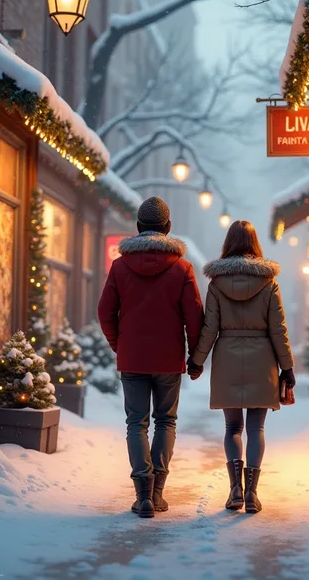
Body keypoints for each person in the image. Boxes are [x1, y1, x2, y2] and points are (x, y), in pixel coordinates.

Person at [98, 196, 204, 518]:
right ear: (168, 228)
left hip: (133, 359)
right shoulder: (182, 268)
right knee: (165, 421)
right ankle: (157, 493)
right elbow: (194, 317)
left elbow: (105, 313)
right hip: (169, 360)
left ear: (138, 228)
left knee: (136, 422)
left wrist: (120, 344)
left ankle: (141, 493)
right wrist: (195, 357)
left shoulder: (119, 266)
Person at [187, 220, 295, 514]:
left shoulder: (217, 284)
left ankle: (235, 490)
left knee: (232, 427)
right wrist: (287, 368)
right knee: (256, 428)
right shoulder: (269, 283)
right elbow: (278, 329)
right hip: (262, 359)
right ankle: (252, 495)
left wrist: (197, 360)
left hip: (228, 358)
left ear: (228, 244)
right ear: (254, 244)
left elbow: (209, 328)